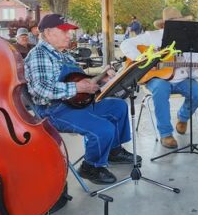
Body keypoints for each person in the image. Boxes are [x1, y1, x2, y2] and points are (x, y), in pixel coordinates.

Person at [25, 13, 138, 185]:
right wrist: (77, 88)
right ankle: (90, 166)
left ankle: (113, 151)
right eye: (63, 31)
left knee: (118, 106)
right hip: (53, 110)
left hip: (75, 103)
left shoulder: (64, 55)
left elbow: (79, 80)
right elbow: (41, 89)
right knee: (103, 128)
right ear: (47, 33)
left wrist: (100, 80)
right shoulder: (39, 54)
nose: (68, 35)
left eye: (69, 31)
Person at [120, 7, 198, 149]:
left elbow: (193, 72)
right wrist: (143, 59)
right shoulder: (152, 36)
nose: (179, 26)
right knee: (161, 88)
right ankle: (166, 134)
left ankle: (182, 118)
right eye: (174, 23)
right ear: (164, 25)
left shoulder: (190, 41)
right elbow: (125, 44)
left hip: (182, 79)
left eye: (180, 23)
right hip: (156, 78)